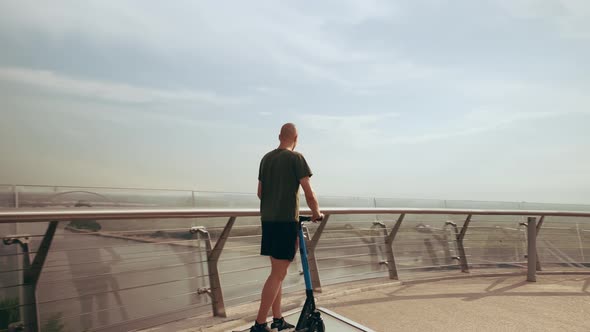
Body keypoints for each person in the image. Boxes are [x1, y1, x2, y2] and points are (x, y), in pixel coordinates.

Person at [250, 123, 323, 332]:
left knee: (277, 272)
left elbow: (260, 192)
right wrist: (316, 212)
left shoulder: (266, 158)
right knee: (277, 275)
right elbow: (308, 192)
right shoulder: (296, 158)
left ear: (279, 136)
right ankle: (260, 324)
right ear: (296, 138)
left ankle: (278, 319)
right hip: (285, 222)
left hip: (269, 221)